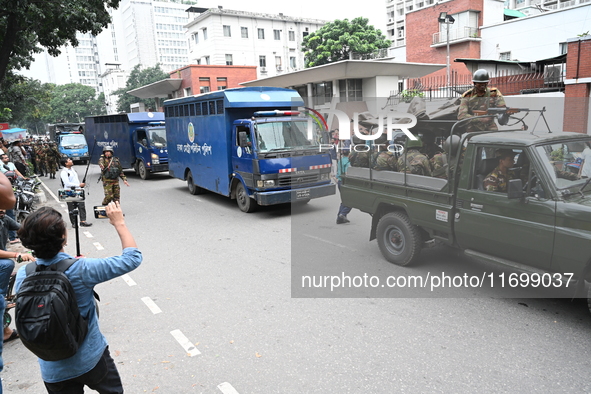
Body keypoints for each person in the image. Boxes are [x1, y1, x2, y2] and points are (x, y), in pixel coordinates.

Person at [14, 202, 142, 393]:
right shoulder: (82, 269)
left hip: (52, 368)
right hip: (91, 358)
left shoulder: (24, 274)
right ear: (63, 238)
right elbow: (132, 258)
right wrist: (119, 223)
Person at [60, 159, 92, 228]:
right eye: (69, 160)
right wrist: (79, 185)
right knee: (71, 207)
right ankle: (74, 223)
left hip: (78, 190)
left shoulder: (73, 170)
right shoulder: (64, 172)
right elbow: (67, 183)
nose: (71, 160)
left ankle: (83, 221)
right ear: (66, 163)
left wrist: (80, 186)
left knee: (81, 206)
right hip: (69, 192)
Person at [336, 149, 352, 224]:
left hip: (339, 181)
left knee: (344, 200)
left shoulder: (340, 160)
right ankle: (343, 213)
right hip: (345, 182)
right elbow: (346, 172)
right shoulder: (348, 162)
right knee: (351, 201)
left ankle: (339, 218)